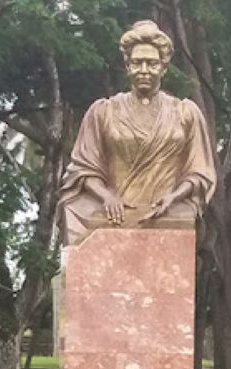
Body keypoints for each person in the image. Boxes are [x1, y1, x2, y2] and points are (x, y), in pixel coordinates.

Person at [57, 19, 216, 245]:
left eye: (151, 63)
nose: (144, 70)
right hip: (113, 212)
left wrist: (173, 197)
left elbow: (199, 172)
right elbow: (82, 169)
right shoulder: (103, 111)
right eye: (137, 62)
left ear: (163, 67)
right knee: (77, 215)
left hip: (166, 211)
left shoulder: (185, 113)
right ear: (128, 65)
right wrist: (107, 196)